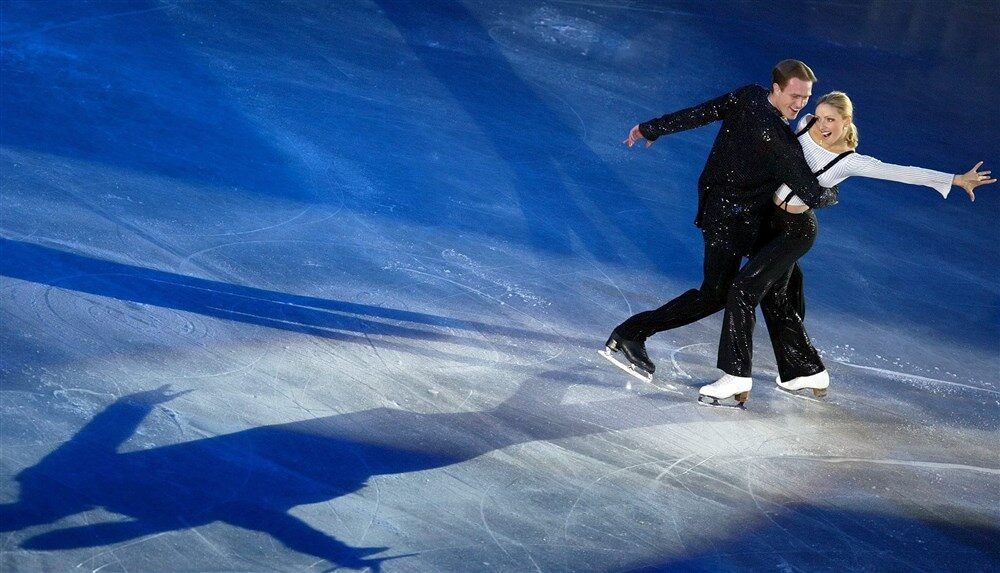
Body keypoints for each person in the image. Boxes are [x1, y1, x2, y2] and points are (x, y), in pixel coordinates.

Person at [703, 91, 995, 403]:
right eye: (819, 116)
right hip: (768, 224)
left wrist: (955, 179)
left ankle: (735, 376)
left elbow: (903, 172)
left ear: (846, 122)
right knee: (776, 299)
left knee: (744, 289)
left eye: (830, 119)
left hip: (795, 232)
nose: (822, 124)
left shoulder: (851, 161)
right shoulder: (803, 126)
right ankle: (806, 370)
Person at [603, 60, 837, 396]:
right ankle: (632, 332)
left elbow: (703, 112)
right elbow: (813, 193)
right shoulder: (778, 137)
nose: (800, 105)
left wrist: (652, 128)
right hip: (731, 222)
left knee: (783, 280)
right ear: (776, 88)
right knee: (717, 294)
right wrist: (837, 184)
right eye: (794, 95)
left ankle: (803, 367)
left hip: (729, 209)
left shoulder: (749, 96)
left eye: (806, 98)